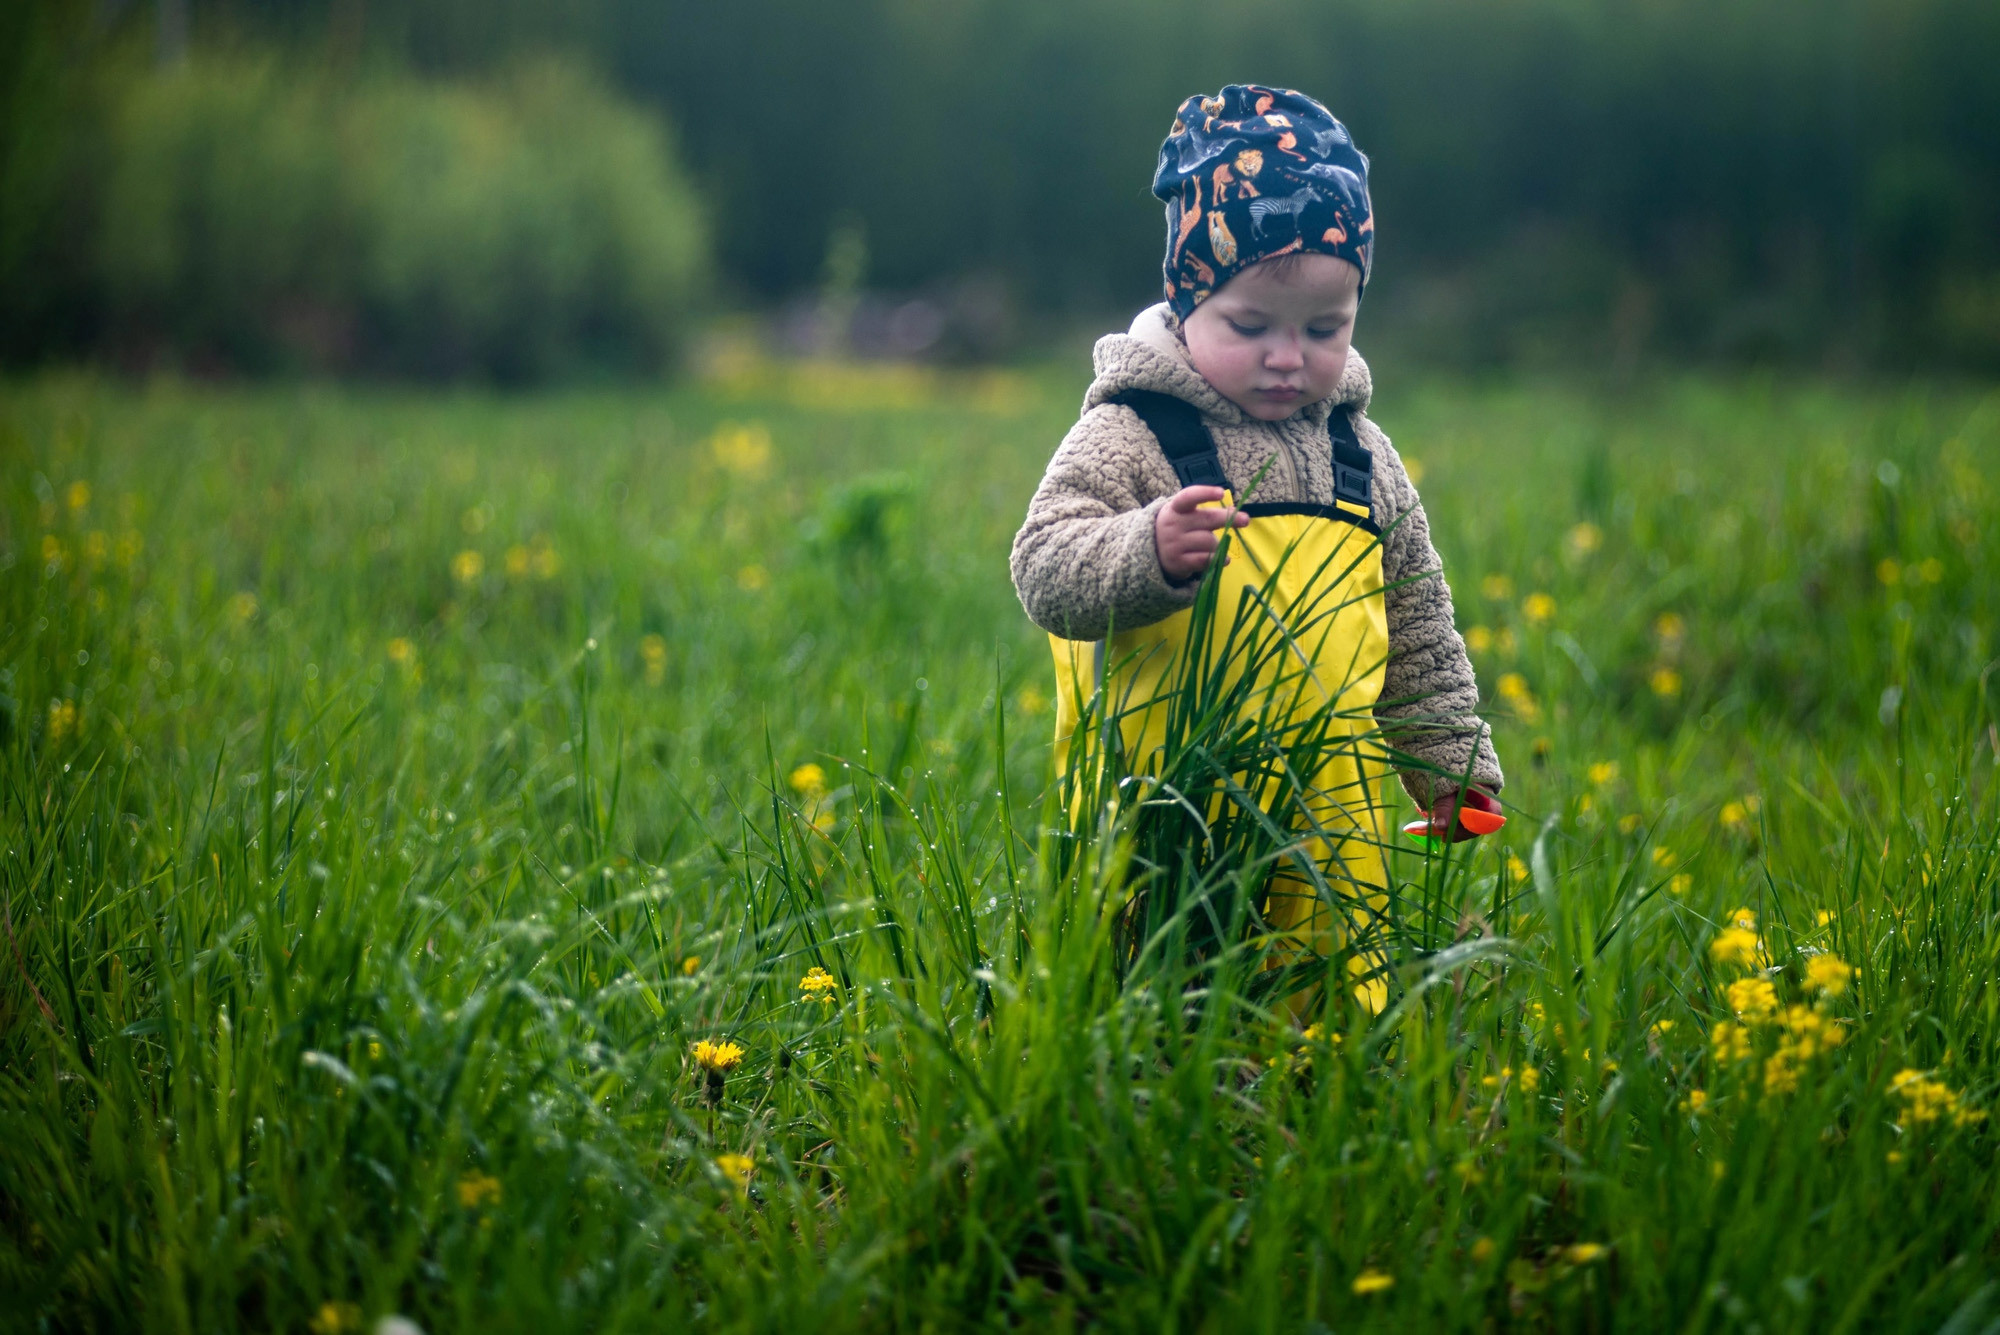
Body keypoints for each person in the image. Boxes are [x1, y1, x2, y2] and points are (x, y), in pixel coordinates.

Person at [1009, 84, 1503, 1013]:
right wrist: (1145, 549)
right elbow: (1042, 564)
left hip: (1328, 826)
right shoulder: (1132, 432)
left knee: (1319, 1018)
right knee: (1150, 1010)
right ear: (1186, 298)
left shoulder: (1361, 454)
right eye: (1252, 327)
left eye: (1326, 329)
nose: (1289, 357)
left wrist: (1452, 765)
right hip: (1160, 815)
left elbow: (1418, 620)